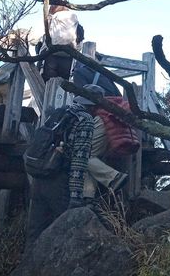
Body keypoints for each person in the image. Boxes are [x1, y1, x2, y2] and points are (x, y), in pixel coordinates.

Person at [24, 87, 127, 246]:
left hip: (39, 175)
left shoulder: (61, 112)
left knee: (34, 230)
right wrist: (76, 196)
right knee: (67, 230)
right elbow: (80, 161)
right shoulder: (85, 120)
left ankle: (27, 265)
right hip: (58, 180)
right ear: (95, 105)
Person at [39, 0, 84, 82]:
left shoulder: (52, 18)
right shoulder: (74, 18)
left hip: (51, 55)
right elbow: (80, 37)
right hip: (68, 55)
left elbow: (45, 35)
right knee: (63, 85)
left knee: (47, 83)